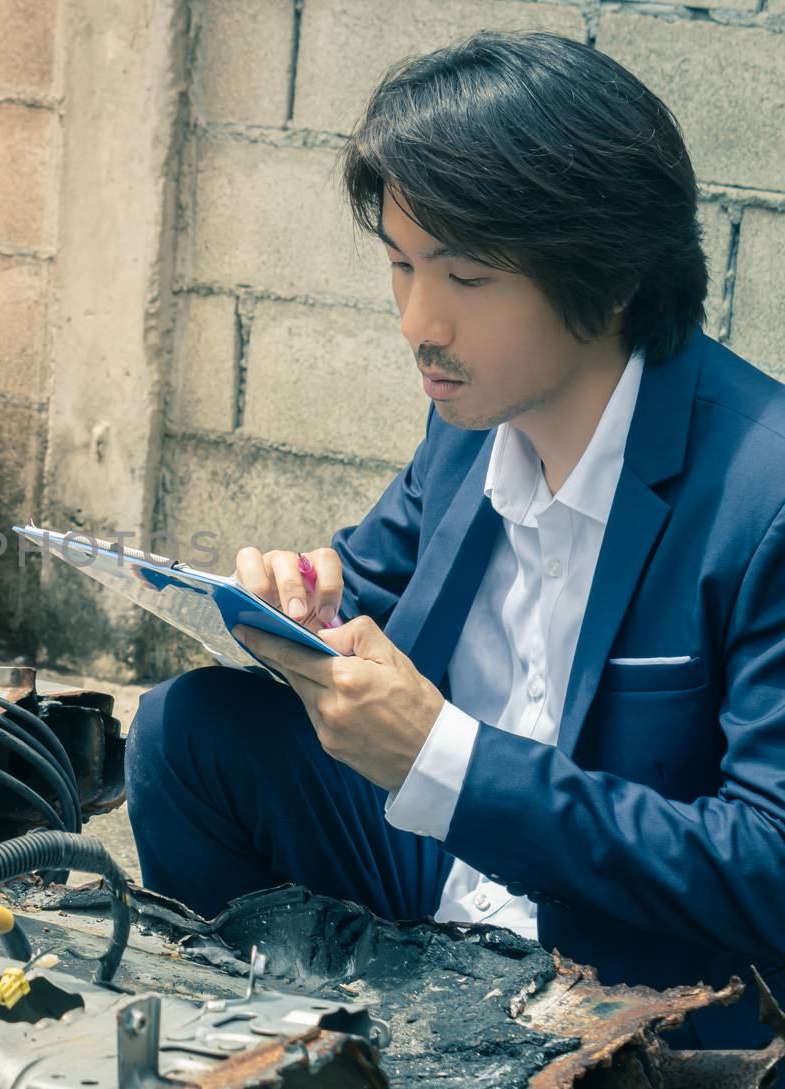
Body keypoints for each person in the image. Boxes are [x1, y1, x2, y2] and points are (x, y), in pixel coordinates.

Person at [125, 29, 785, 1050]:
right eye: (399, 265)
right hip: (450, 881)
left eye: (466, 277)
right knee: (189, 734)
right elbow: (373, 573)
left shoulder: (762, 493)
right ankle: (285, 1052)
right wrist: (299, 596)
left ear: (606, 281)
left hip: (635, 966)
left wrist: (446, 761)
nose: (416, 322)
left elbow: (766, 866)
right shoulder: (469, 421)